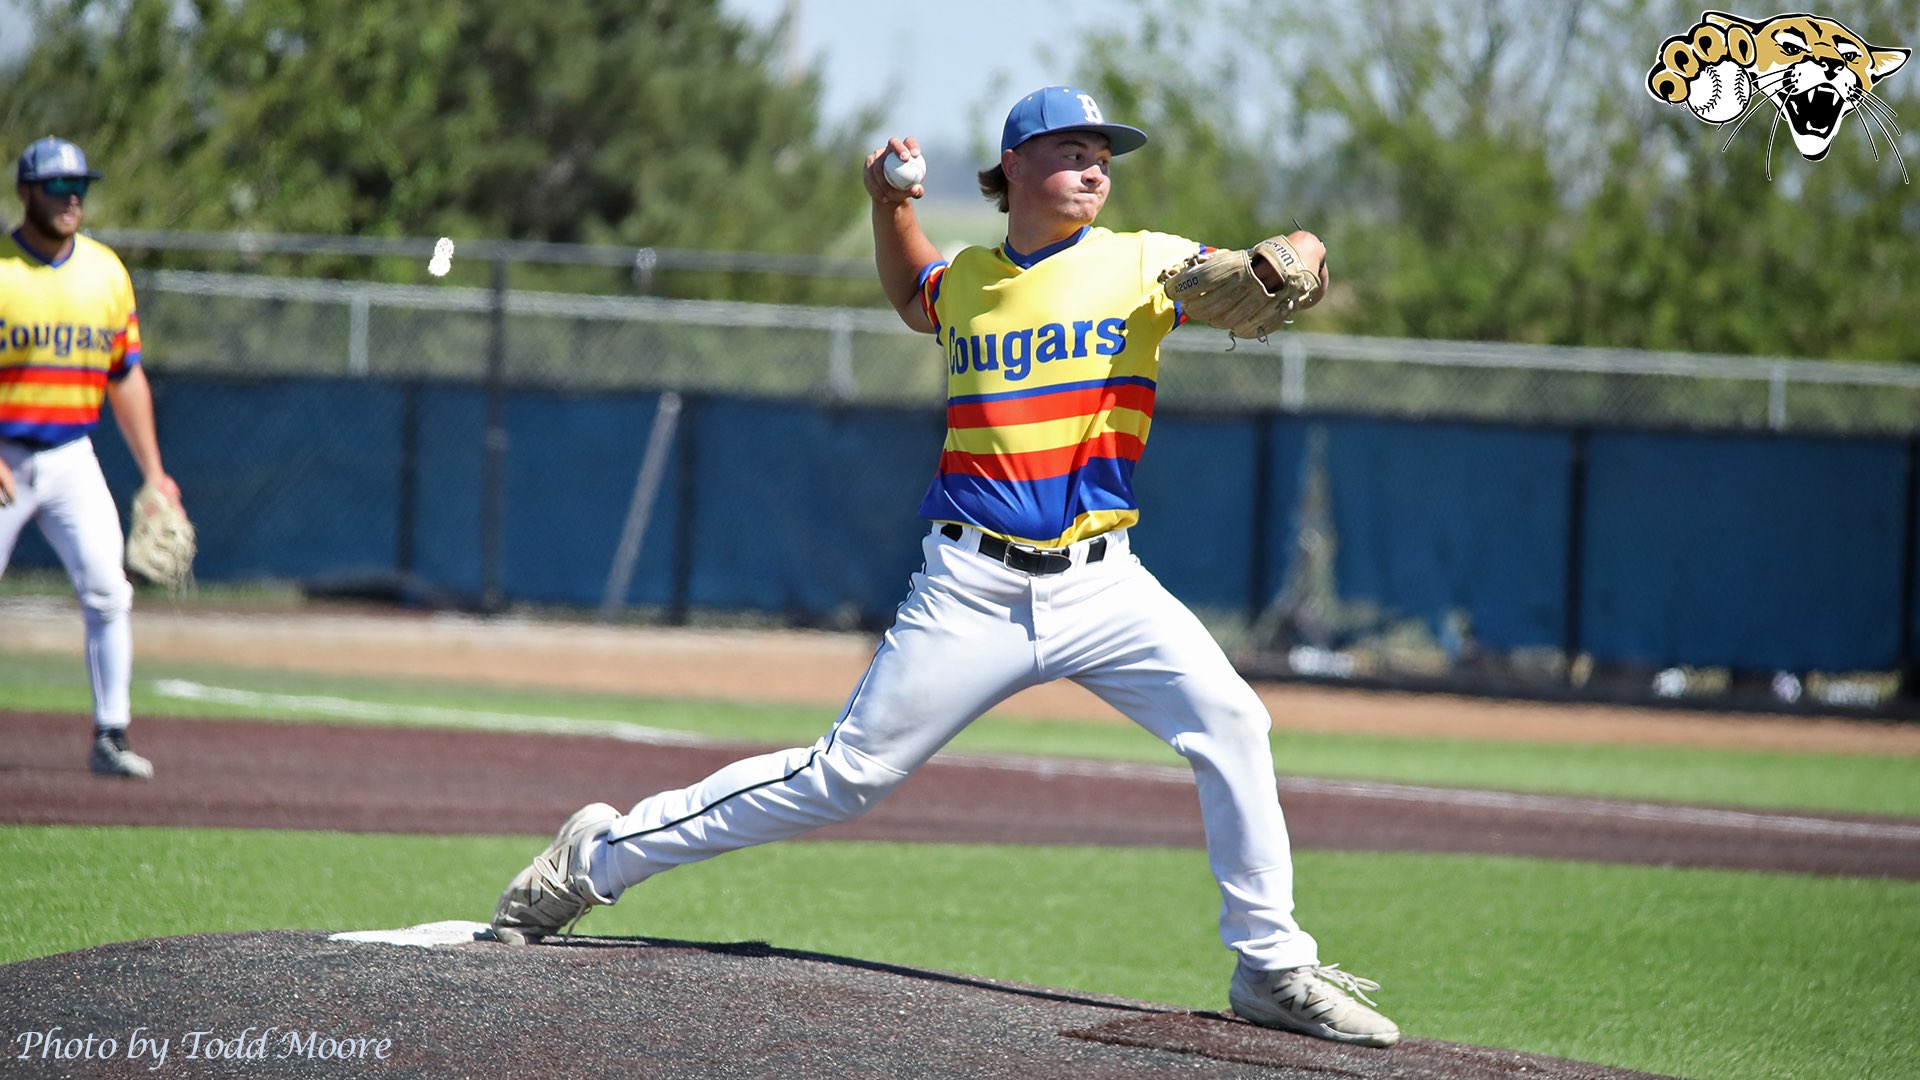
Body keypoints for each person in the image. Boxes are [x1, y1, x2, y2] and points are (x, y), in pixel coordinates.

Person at [492, 86, 1399, 1048]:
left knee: (1233, 720)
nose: (1094, 166)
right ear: (1011, 168)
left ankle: (1270, 966)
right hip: (973, 587)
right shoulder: (967, 280)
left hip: (1104, 583)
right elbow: (910, 290)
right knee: (842, 778)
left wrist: (1295, 254)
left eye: (1103, 151)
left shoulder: (1147, 262)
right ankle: (595, 857)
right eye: (1069, 149)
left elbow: (1259, 266)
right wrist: (890, 207)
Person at [2, 136, 182, 780]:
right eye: (56, 187)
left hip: (72, 454)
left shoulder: (105, 272)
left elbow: (124, 375)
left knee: (109, 591)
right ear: (25, 193)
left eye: (79, 186)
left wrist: (155, 473)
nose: (71, 197)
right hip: (4, 451)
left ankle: (111, 734)